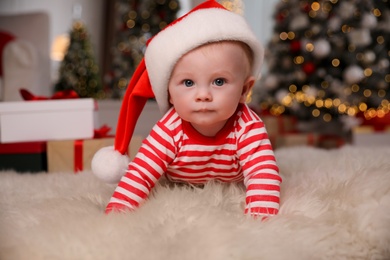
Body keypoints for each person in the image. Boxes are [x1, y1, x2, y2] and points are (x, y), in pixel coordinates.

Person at [92, 0, 281, 218]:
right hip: (179, 180)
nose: (203, 95)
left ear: (244, 90)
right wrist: (117, 212)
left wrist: (261, 220)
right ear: (169, 93)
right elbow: (141, 172)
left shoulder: (248, 126)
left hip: (230, 181)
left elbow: (262, 173)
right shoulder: (169, 129)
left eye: (219, 81)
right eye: (188, 83)